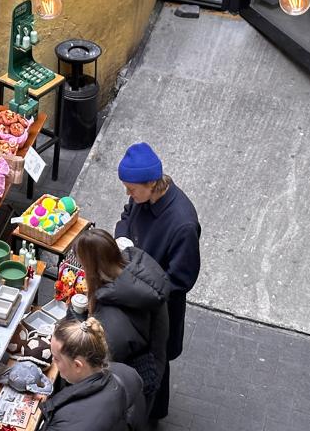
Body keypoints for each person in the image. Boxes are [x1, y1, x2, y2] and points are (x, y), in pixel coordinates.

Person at [114, 142, 201, 423]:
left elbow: (181, 279)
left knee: (155, 363)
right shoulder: (143, 197)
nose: (129, 194)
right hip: (137, 291)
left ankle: (150, 415)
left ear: (151, 183)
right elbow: (127, 216)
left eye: (132, 189)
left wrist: (143, 287)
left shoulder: (182, 224)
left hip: (159, 307)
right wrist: (122, 239)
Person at [72, 228, 170, 409]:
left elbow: (102, 365)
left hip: (135, 380)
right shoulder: (138, 269)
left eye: (83, 265)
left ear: (92, 267)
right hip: (154, 358)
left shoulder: (112, 320)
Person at [43, 317, 146, 431]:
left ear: (78, 365)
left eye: (57, 358)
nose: (53, 361)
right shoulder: (127, 372)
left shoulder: (67, 424)